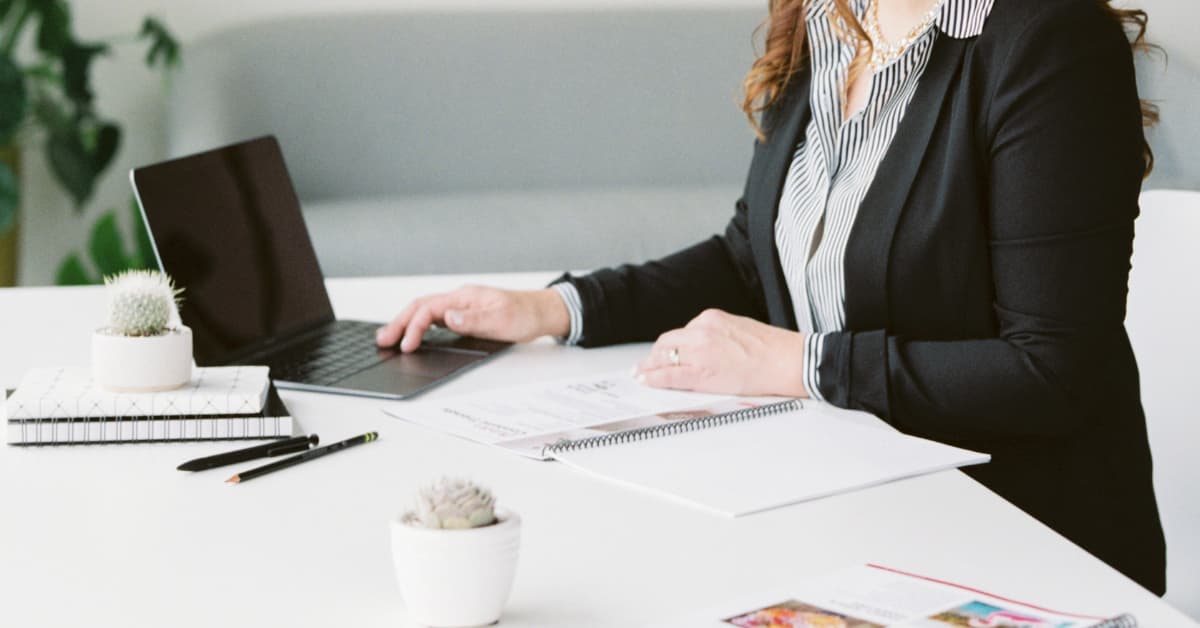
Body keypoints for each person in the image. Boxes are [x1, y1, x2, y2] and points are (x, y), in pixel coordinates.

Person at [376, 0, 1167, 594]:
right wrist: (556, 309)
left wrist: (804, 365)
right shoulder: (826, 20)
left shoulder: (1048, 40)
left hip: (1014, 543)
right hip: (847, 501)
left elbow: (1054, 371)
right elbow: (753, 257)